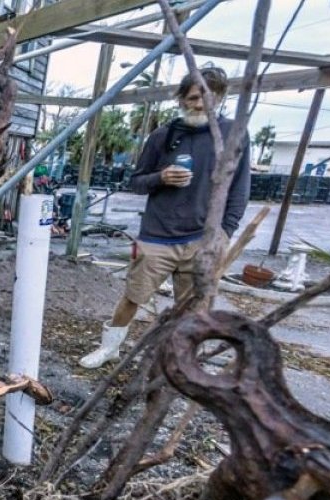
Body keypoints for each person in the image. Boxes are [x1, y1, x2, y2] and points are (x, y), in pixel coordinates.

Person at [79, 67, 250, 369]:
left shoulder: (233, 134)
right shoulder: (164, 136)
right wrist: (161, 177)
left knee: (192, 307)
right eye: (194, 97)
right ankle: (109, 349)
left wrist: (225, 231)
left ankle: (181, 361)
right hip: (158, 235)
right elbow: (136, 181)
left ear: (221, 98)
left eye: (209, 98)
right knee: (133, 296)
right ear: (182, 98)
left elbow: (240, 188)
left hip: (203, 237)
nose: (201, 105)